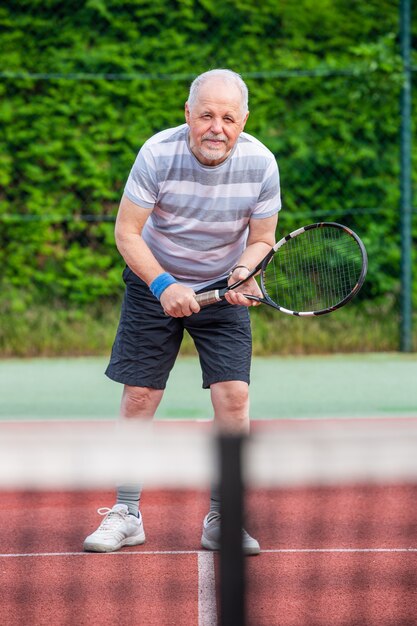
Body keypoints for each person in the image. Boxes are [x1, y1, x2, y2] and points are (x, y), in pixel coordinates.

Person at [83, 69, 281, 556]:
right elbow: (127, 232)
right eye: (207, 114)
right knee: (140, 396)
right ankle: (126, 513)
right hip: (155, 278)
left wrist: (242, 272)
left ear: (244, 120)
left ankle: (223, 517)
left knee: (234, 397)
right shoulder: (156, 154)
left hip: (221, 282)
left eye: (229, 117)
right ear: (187, 114)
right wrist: (163, 284)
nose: (217, 127)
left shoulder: (261, 163)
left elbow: (261, 240)